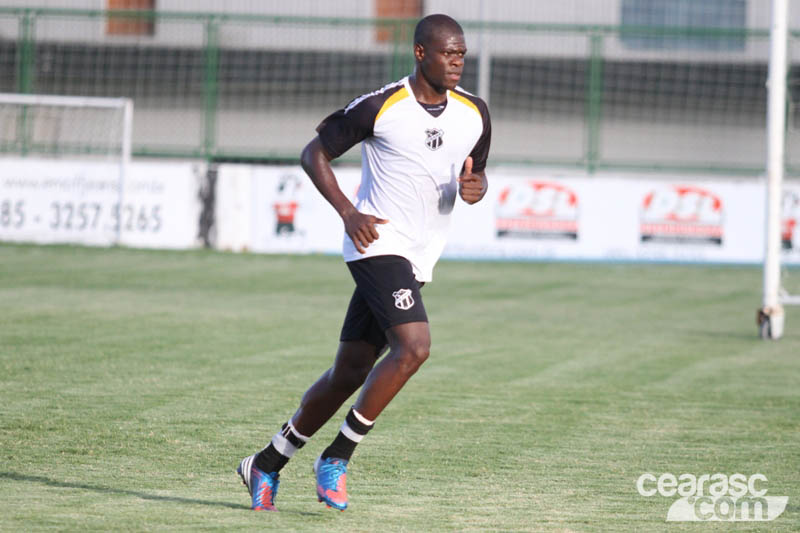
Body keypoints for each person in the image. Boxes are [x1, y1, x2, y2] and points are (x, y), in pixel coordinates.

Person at [237, 13, 491, 512]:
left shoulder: (475, 112)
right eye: (448, 52)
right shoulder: (382, 105)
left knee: (350, 371)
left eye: (461, 53)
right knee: (414, 348)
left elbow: (476, 177)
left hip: (419, 255)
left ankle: (266, 462)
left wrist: (476, 188)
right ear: (420, 52)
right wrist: (348, 212)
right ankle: (337, 456)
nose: (457, 61)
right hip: (377, 242)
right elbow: (314, 153)